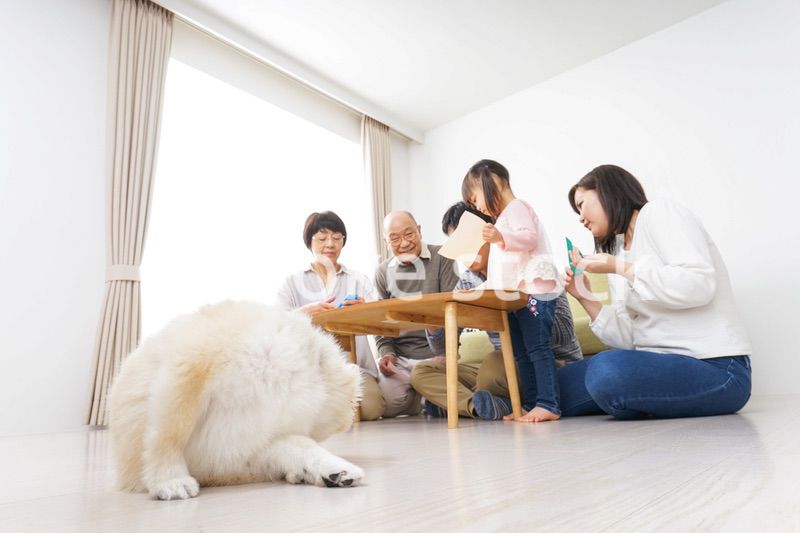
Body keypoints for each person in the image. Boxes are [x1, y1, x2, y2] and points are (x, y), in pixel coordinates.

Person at [555, 164, 752, 420]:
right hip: (655, 364)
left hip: (718, 369)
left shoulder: (660, 213)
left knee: (606, 370)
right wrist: (585, 296)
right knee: (551, 386)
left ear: (607, 191)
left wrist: (622, 268)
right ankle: (637, 400)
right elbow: (630, 339)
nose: (580, 218)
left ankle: (633, 399)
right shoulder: (618, 251)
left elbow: (699, 285)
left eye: (582, 205)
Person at [411, 201, 582, 420]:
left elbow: (564, 332)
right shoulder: (467, 283)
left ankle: (464, 403)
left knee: (493, 367)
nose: (464, 251)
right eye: (457, 244)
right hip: (504, 368)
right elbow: (445, 348)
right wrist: (433, 324)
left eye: (468, 240)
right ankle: (480, 405)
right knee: (422, 372)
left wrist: (521, 314)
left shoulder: (530, 264)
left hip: (551, 364)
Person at [461, 159, 563, 423]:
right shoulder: (502, 221)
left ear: (493, 181)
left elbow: (529, 238)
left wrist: (500, 238)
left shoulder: (517, 207)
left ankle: (548, 403)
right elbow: (500, 273)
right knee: (521, 353)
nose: (477, 207)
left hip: (534, 292)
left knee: (537, 348)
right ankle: (530, 404)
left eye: (475, 199)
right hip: (515, 297)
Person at [276, 211, 386, 420]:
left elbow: (381, 318)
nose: (330, 244)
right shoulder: (293, 281)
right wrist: (305, 312)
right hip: (310, 368)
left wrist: (365, 310)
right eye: (322, 238)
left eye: (337, 238)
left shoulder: (358, 279)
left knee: (371, 410)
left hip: (355, 367)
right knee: (309, 411)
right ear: (309, 242)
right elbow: (277, 322)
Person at [373, 210, 461, 417]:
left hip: (436, 356)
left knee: (440, 390)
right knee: (388, 406)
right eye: (395, 238)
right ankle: (424, 399)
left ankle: (426, 394)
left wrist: (446, 351)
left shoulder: (443, 257)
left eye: (409, 234)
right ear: (386, 242)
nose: (404, 243)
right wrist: (387, 354)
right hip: (400, 360)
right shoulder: (383, 272)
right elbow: (380, 322)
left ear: (419, 230)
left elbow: (454, 311)